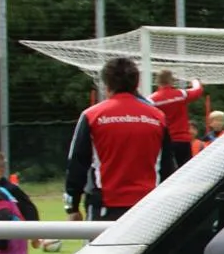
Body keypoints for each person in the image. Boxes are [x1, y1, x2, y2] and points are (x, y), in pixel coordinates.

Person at [64, 56, 174, 221]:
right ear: (137, 83)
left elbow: (77, 163)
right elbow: (167, 167)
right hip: (149, 209)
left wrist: (72, 206)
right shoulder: (158, 117)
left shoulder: (92, 116)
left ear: (106, 84)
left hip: (105, 208)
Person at [149, 69, 206, 170]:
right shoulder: (181, 94)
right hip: (183, 140)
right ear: (172, 81)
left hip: (165, 142)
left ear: (158, 81)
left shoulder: (152, 100)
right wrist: (195, 81)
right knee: (186, 170)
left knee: (166, 171)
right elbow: (198, 91)